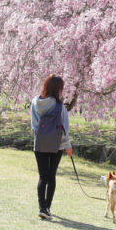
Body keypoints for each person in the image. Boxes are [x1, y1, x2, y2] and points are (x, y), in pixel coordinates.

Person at [31, 75, 73, 220]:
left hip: (40, 144)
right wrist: (68, 146)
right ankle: (47, 207)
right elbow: (64, 129)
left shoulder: (35, 103)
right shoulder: (60, 106)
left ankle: (42, 208)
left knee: (42, 177)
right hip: (57, 145)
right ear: (58, 89)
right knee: (51, 176)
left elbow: (34, 126)